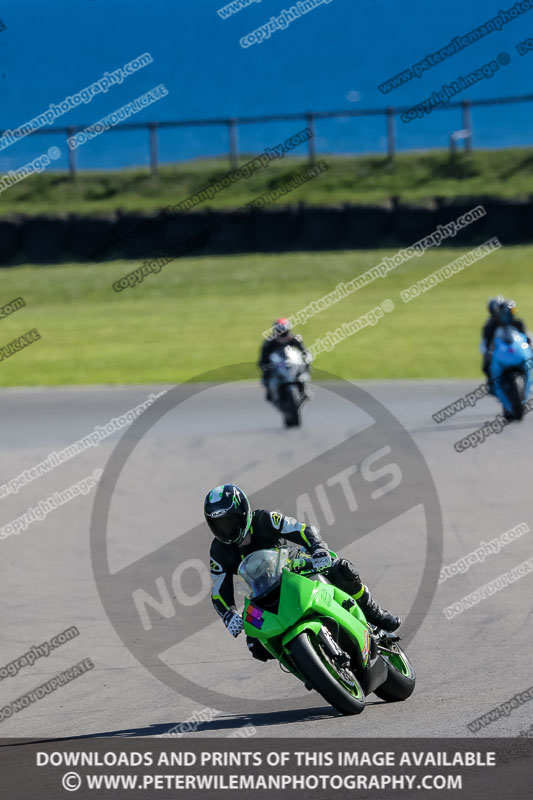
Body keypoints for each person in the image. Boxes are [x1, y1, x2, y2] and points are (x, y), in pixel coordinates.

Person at [205, 484, 401, 662]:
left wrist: (318, 548)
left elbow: (300, 529)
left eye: (230, 522)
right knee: (256, 644)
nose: (226, 530)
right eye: (219, 525)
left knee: (341, 569)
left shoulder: (264, 519)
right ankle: (309, 665)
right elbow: (218, 590)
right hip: (259, 592)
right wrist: (228, 614)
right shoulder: (218, 551)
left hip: (294, 567)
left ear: (244, 512)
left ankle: (375, 614)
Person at [481, 298, 531, 392]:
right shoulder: (491, 325)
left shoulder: (518, 323)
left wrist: (527, 346)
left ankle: (528, 381)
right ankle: (492, 383)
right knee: (486, 364)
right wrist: (489, 353)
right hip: (500, 352)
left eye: (512, 311)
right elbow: (486, 343)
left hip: (516, 350)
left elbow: (527, 338)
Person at [258, 318, 312, 401]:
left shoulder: (296, 339)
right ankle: (270, 392)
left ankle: (304, 390)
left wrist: (307, 358)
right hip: (276, 364)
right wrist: (265, 365)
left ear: (289, 331)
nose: (283, 336)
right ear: (275, 332)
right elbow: (263, 357)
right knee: (265, 378)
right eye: (280, 333)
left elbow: (304, 351)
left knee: (303, 374)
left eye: (285, 333)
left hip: (291, 362)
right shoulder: (269, 342)